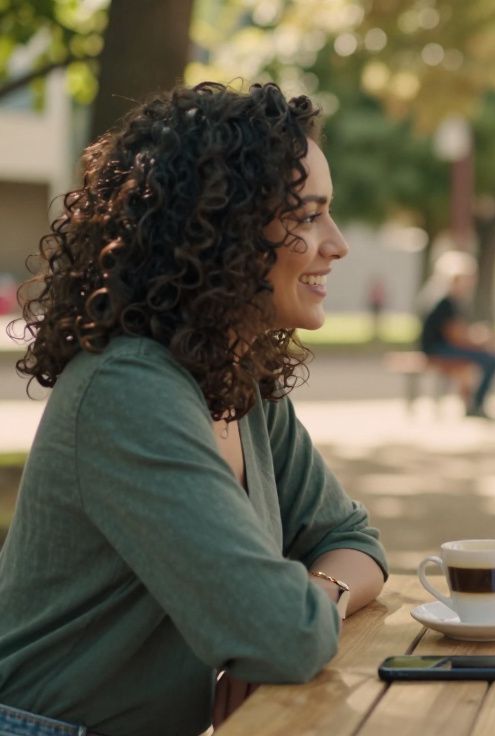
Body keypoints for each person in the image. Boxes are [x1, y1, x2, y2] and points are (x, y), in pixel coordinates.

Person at [0, 82, 388, 736]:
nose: (338, 243)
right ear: (222, 228)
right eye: (308, 214)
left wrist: (316, 598)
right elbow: (280, 634)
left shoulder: (238, 379)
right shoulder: (130, 392)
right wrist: (288, 621)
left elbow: (353, 543)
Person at [419, 250, 495, 417]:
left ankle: (472, 403)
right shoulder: (445, 302)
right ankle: (477, 403)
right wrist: (480, 339)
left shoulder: (446, 299)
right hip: (437, 348)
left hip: (439, 346)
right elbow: (455, 336)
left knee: (482, 358)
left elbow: (457, 331)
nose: (470, 283)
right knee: (491, 360)